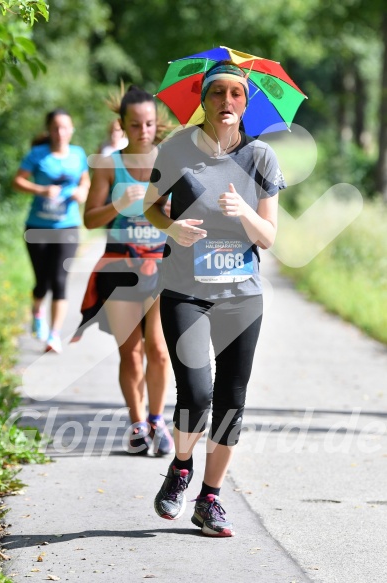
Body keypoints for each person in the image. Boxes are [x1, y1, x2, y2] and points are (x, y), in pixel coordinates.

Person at [144, 60, 286, 536]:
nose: (228, 102)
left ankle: (209, 499)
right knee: (198, 391)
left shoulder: (261, 156)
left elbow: (268, 236)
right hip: (186, 290)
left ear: (247, 104)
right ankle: (180, 466)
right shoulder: (177, 148)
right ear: (202, 100)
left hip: (241, 297)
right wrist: (172, 226)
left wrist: (244, 210)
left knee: (231, 400)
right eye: (218, 93)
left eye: (237, 95)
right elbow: (152, 207)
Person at [77, 85, 174, 456]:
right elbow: (89, 220)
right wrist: (118, 203)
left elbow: (180, 216)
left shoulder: (170, 163)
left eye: (149, 124)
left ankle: (157, 420)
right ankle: (137, 425)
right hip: (119, 263)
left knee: (160, 350)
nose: (144, 131)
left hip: (161, 264)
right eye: (135, 125)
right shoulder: (108, 166)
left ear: (156, 124)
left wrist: (168, 211)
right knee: (130, 352)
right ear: (122, 124)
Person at [12, 108, 90, 354]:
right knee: (42, 281)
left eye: (64, 127)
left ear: (71, 130)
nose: (60, 132)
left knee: (59, 279)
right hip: (37, 227)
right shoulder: (38, 154)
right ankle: (37, 311)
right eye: (55, 128)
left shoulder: (78, 154)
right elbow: (18, 181)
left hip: (67, 226)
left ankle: (54, 334)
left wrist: (83, 192)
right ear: (49, 130)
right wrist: (41, 191)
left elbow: (85, 180)